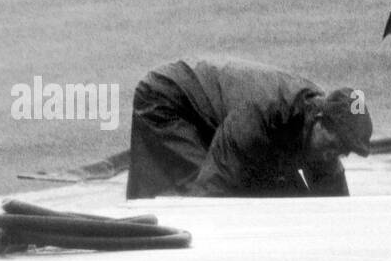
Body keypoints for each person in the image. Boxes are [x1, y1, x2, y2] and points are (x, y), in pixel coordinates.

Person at [126, 57, 372, 200]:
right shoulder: (260, 115)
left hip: (212, 110)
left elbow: (334, 206)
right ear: (318, 120)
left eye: (341, 152)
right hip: (167, 100)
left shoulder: (318, 128)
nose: (333, 156)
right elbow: (211, 190)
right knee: (217, 194)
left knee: (278, 195)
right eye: (333, 146)